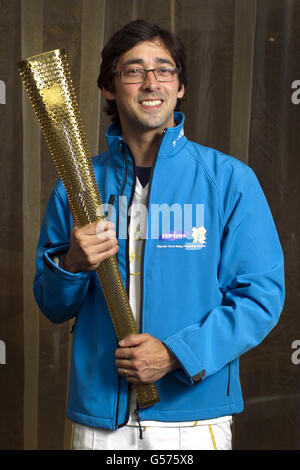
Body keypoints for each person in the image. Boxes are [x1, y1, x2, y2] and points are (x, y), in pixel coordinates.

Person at [33, 19, 285, 450]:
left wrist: (174, 355)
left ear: (180, 87)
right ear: (110, 88)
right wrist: (71, 264)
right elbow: (53, 306)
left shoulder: (229, 181)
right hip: (101, 423)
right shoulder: (75, 187)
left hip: (193, 417)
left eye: (164, 70)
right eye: (133, 70)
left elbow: (260, 297)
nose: (151, 83)